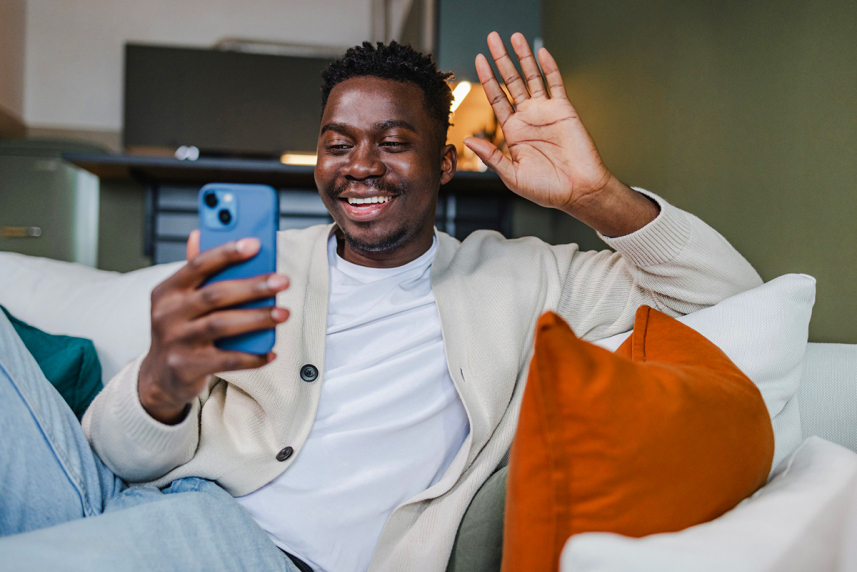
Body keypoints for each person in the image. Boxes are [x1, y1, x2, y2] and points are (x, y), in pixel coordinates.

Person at [0, 33, 761, 572]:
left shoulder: (525, 277)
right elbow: (119, 459)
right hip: (149, 503)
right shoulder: (256, 266)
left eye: (393, 142)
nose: (360, 165)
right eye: (338, 143)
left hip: (253, 548)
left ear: (444, 162)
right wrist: (159, 385)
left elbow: (728, 296)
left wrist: (593, 195)